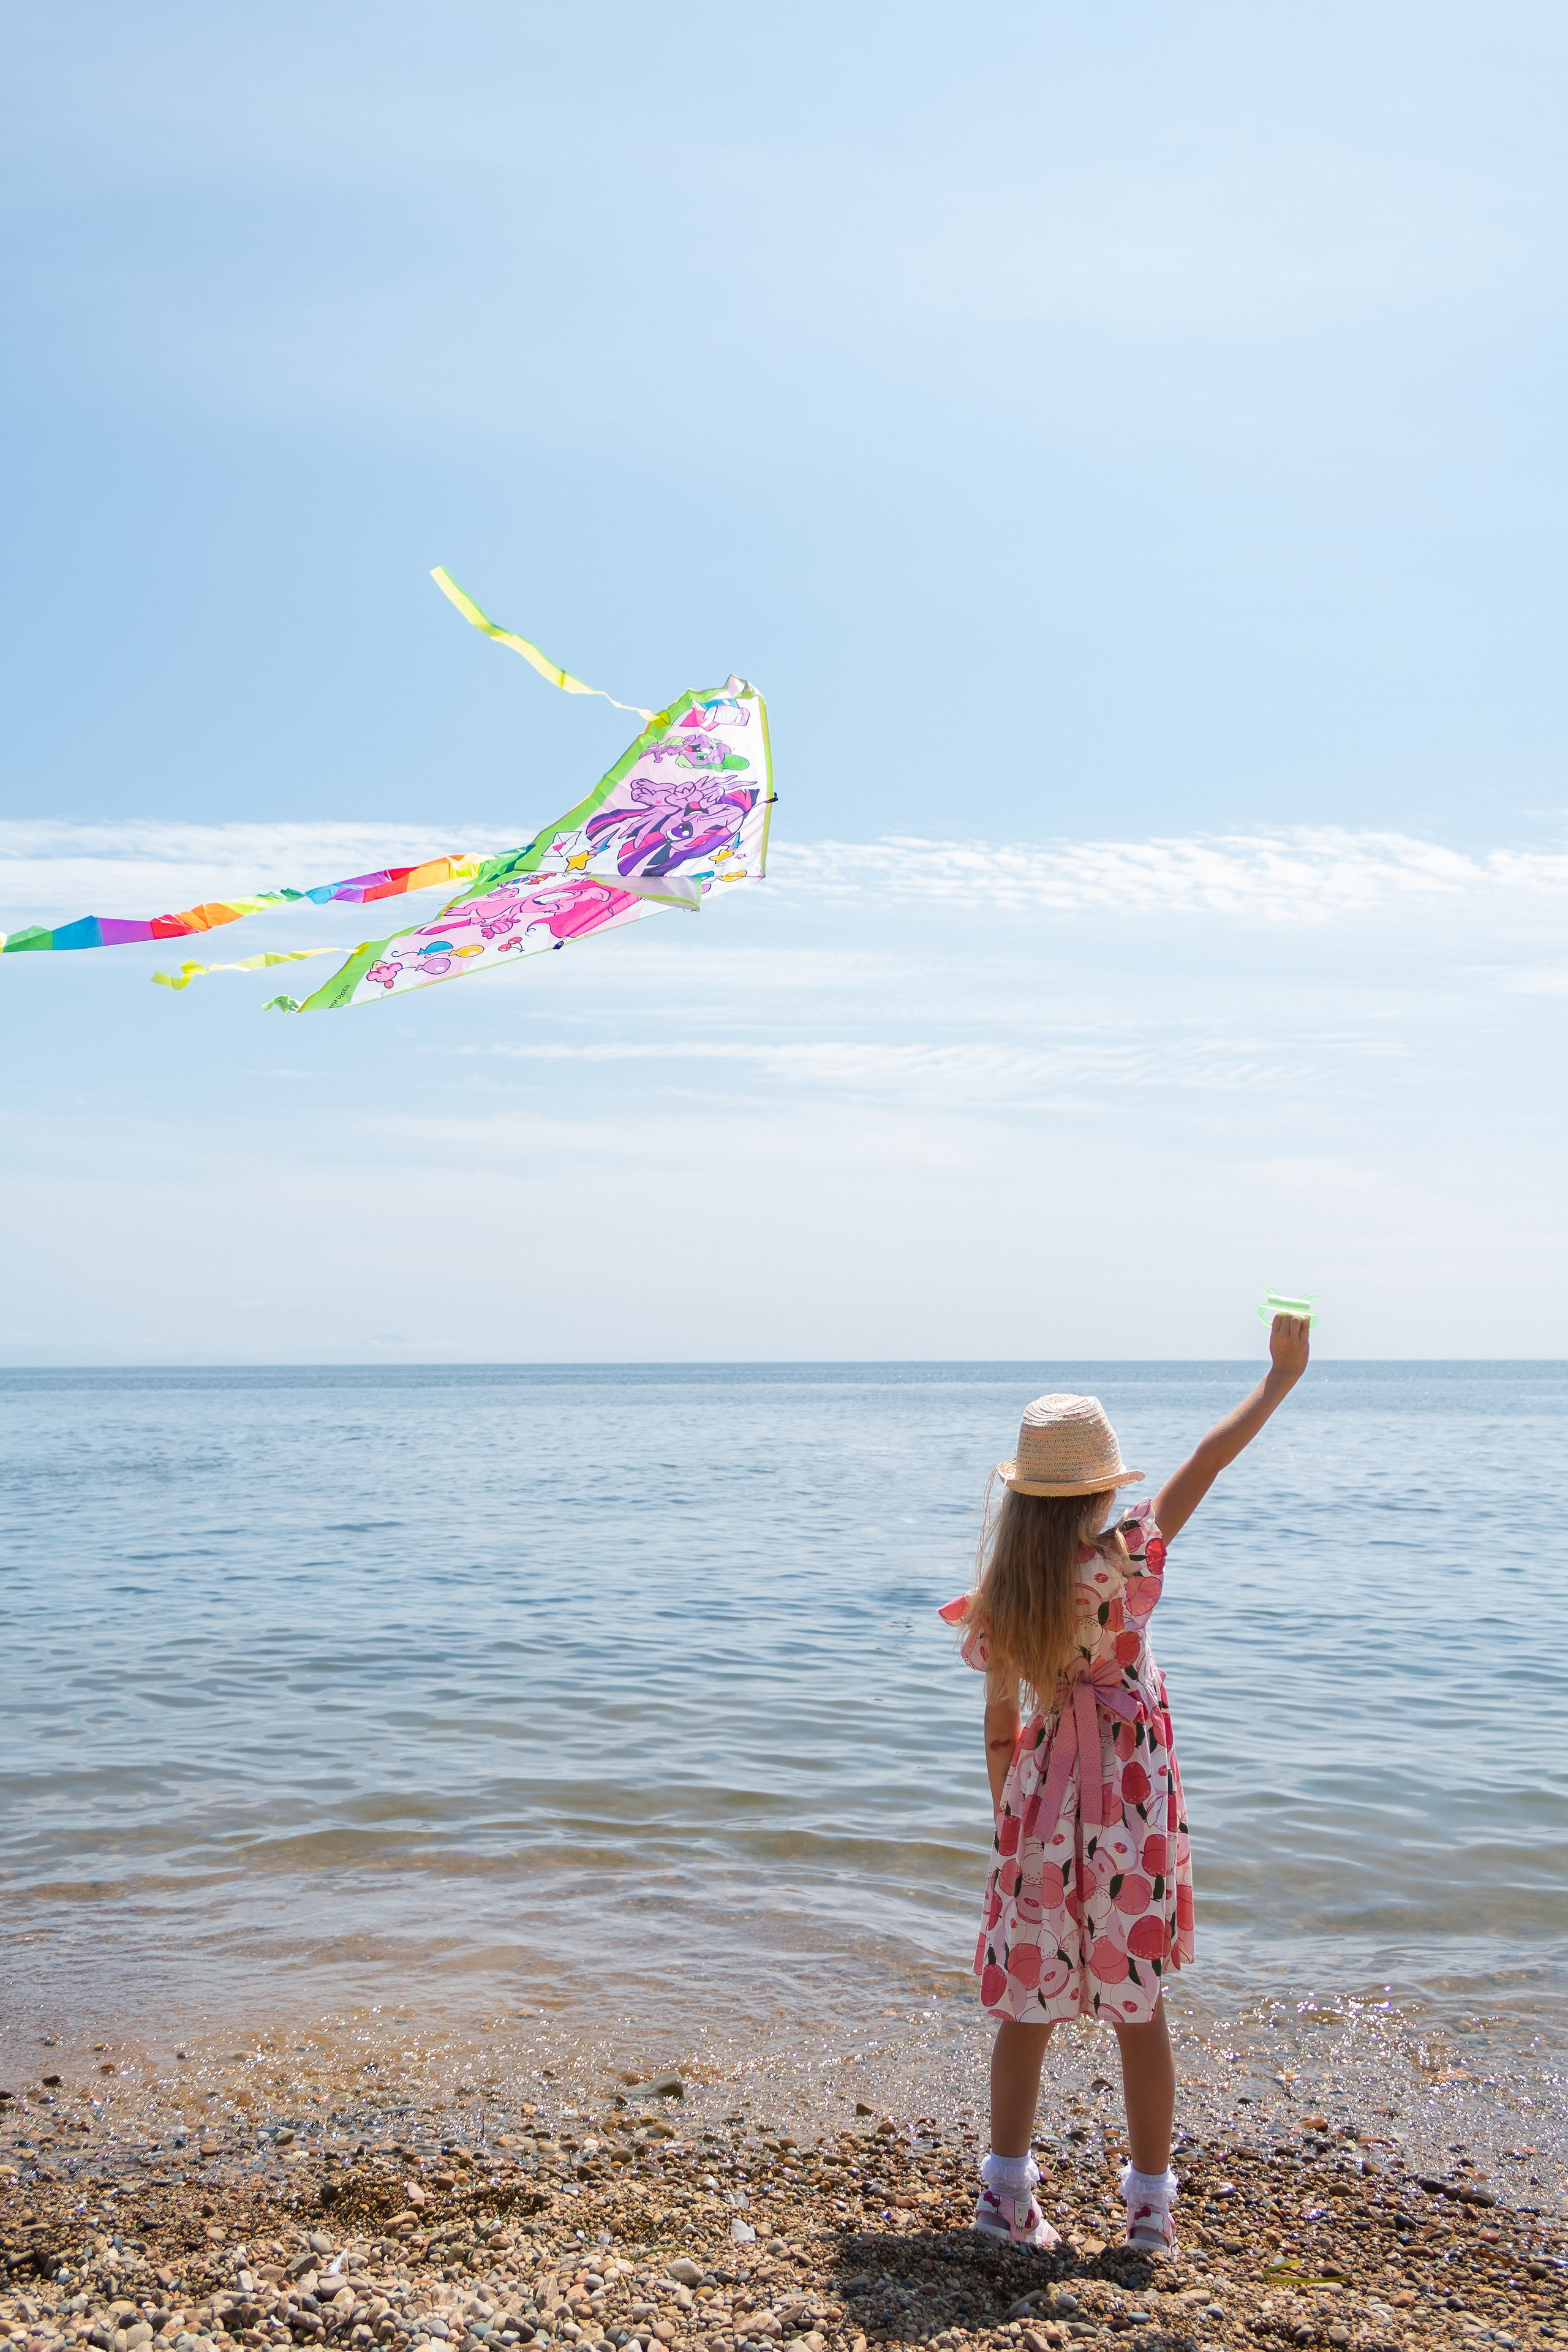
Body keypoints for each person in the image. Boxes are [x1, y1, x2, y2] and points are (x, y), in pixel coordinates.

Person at [938, 1316, 1311, 2256]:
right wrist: (1277, 1383)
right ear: (1102, 1487)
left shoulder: (1004, 1593)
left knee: (1029, 2005)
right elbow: (1206, 1461)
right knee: (1137, 2004)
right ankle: (1149, 2212)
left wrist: (1013, 1828)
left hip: (1038, 1802)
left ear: (1022, 1498)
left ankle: (1004, 2198)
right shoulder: (1124, 1557)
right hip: (1131, 1801)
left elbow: (997, 1728)